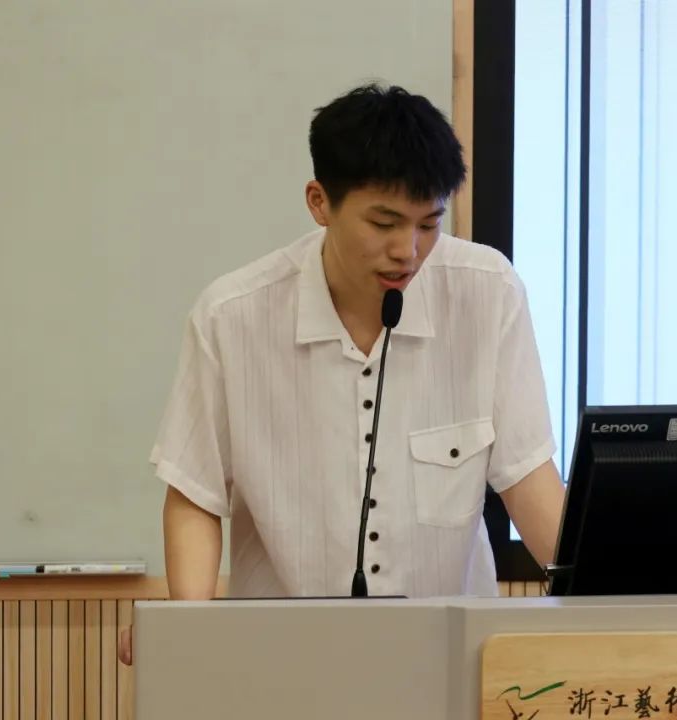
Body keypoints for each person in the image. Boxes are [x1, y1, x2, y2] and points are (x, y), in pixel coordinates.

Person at [119, 84, 564, 664]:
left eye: (428, 224)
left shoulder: (488, 292)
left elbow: (527, 477)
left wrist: (609, 603)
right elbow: (196, 492)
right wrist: (185, 625)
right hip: (282, 662)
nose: (408, 251)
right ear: (319, 202)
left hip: (451, 660)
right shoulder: (232, 316)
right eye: (384, 222)